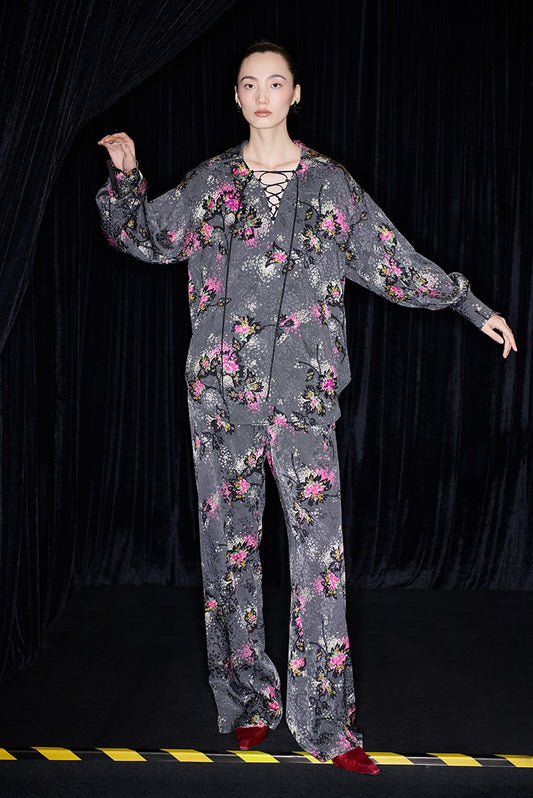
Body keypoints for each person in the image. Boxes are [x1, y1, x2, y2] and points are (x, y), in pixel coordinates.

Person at [96, 41, 517, 774]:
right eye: (249, 83)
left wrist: (466, 302)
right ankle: (248, 702)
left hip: (303, 398)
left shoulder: (329, 186)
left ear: (296, 94)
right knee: (229, 552)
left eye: (275, 82)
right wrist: (126, 179)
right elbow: (146, 239)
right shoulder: (211, 184)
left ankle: (328, 726)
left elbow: (391, 259)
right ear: (235, 96)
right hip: (220, 399)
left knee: (319, 559)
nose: (262, 95)